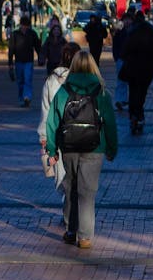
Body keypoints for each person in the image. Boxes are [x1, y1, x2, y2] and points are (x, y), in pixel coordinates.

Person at [45, 50, 118, 249]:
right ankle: (84, 236)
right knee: (88, 191)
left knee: (71, 188)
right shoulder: (100, 90)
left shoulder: (64, 89)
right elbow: (110, 123)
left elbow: (52, 122)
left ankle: (70, 229)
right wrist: (112, 147)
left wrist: (52, 150)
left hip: (68, 146)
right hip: (95, 146)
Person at [118, 12, 153, 134]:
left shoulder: (131, 33)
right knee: (142, 93)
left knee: (133, 92)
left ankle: (133, 115)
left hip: (132, 68)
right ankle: (139, 113)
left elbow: (123, 52)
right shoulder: (152, 32)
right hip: (147, 68)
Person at [37, 41, 82, 150]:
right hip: (82, 136)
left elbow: (46, 109)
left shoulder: (52, 80)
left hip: (57, 134)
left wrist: (43, 135)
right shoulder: (85, 81)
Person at [8, 15, 42, 107]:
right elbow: (11, 49)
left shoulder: (32, 34)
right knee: (20, 80)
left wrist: (40, 57)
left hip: (28, 61)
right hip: (18, 61)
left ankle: (27, 96)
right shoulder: (15, 34)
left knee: (27, 79)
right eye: (23, 25)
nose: (24, 27)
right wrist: (10, 63)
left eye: (26, 26)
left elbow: (37, 46)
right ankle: (21, 97)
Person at [111, 14, 132, 111]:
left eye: (129, 20)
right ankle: (120, 100)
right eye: (125, 20)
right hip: (121, 58)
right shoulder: (119, 32)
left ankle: (126, 100)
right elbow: (115, 45)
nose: (127, 22)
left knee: (131, 81)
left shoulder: (134, 32)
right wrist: (116, 57)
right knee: (121, 80)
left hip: (131, 60)